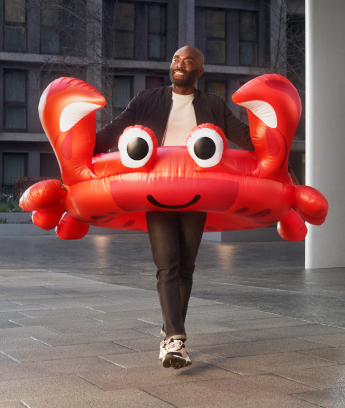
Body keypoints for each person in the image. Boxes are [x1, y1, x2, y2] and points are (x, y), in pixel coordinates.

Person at [95, 45, 253, 369]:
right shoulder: (145, 100)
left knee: (186, 267)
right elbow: (115, 131)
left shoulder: (214, 105)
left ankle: (169, 330)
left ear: (199, 72)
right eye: (176, 60)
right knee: (167, 263)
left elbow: (244, 137)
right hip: (156, 193)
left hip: (198, 195)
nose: (180, 65)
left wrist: (278, 155)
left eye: (188, 62)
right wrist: (80, 148)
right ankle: (176, 340)